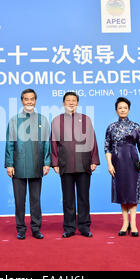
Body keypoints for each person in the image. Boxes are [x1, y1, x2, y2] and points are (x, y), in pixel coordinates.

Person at [51, 92, 100, 238]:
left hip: (84, 164)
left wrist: (94, 160)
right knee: (68, 198)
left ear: (77, 103)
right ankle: (69, 228)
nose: (71, 103)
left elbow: (92, 140)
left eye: (74, 100)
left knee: (84, 197)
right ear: (63, 103)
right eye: (68, 100)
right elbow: (53, 143)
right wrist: (55, 163)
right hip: (65, 164)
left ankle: (84, 227)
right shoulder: (56, 120)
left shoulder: (85, 119)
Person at [5, 89, 51, 240]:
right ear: (22, 101)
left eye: (32, 99)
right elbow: (10, 143)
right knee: (19, 200)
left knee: (35, 200)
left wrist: (46, 162)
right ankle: (21, 229)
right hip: (17, 165)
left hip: (37, 164)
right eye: (26, 99)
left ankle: (36, 228)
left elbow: (46, 143)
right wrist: (9, 164)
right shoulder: (14, 120)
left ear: (35, 101)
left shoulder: (42, 120)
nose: (29, 102)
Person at [104, 97, 140, 237]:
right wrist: (109, 164)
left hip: (132, 161)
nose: (122, 110)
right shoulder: (111, 127)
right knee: (122, 193)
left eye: (125, 108)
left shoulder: (136, 126)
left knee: (132, 193)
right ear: (116, 110)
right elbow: (107, 148)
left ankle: (133, 224)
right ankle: (124, 224)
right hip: (117, 162)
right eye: (120, 108)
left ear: (129, 110)